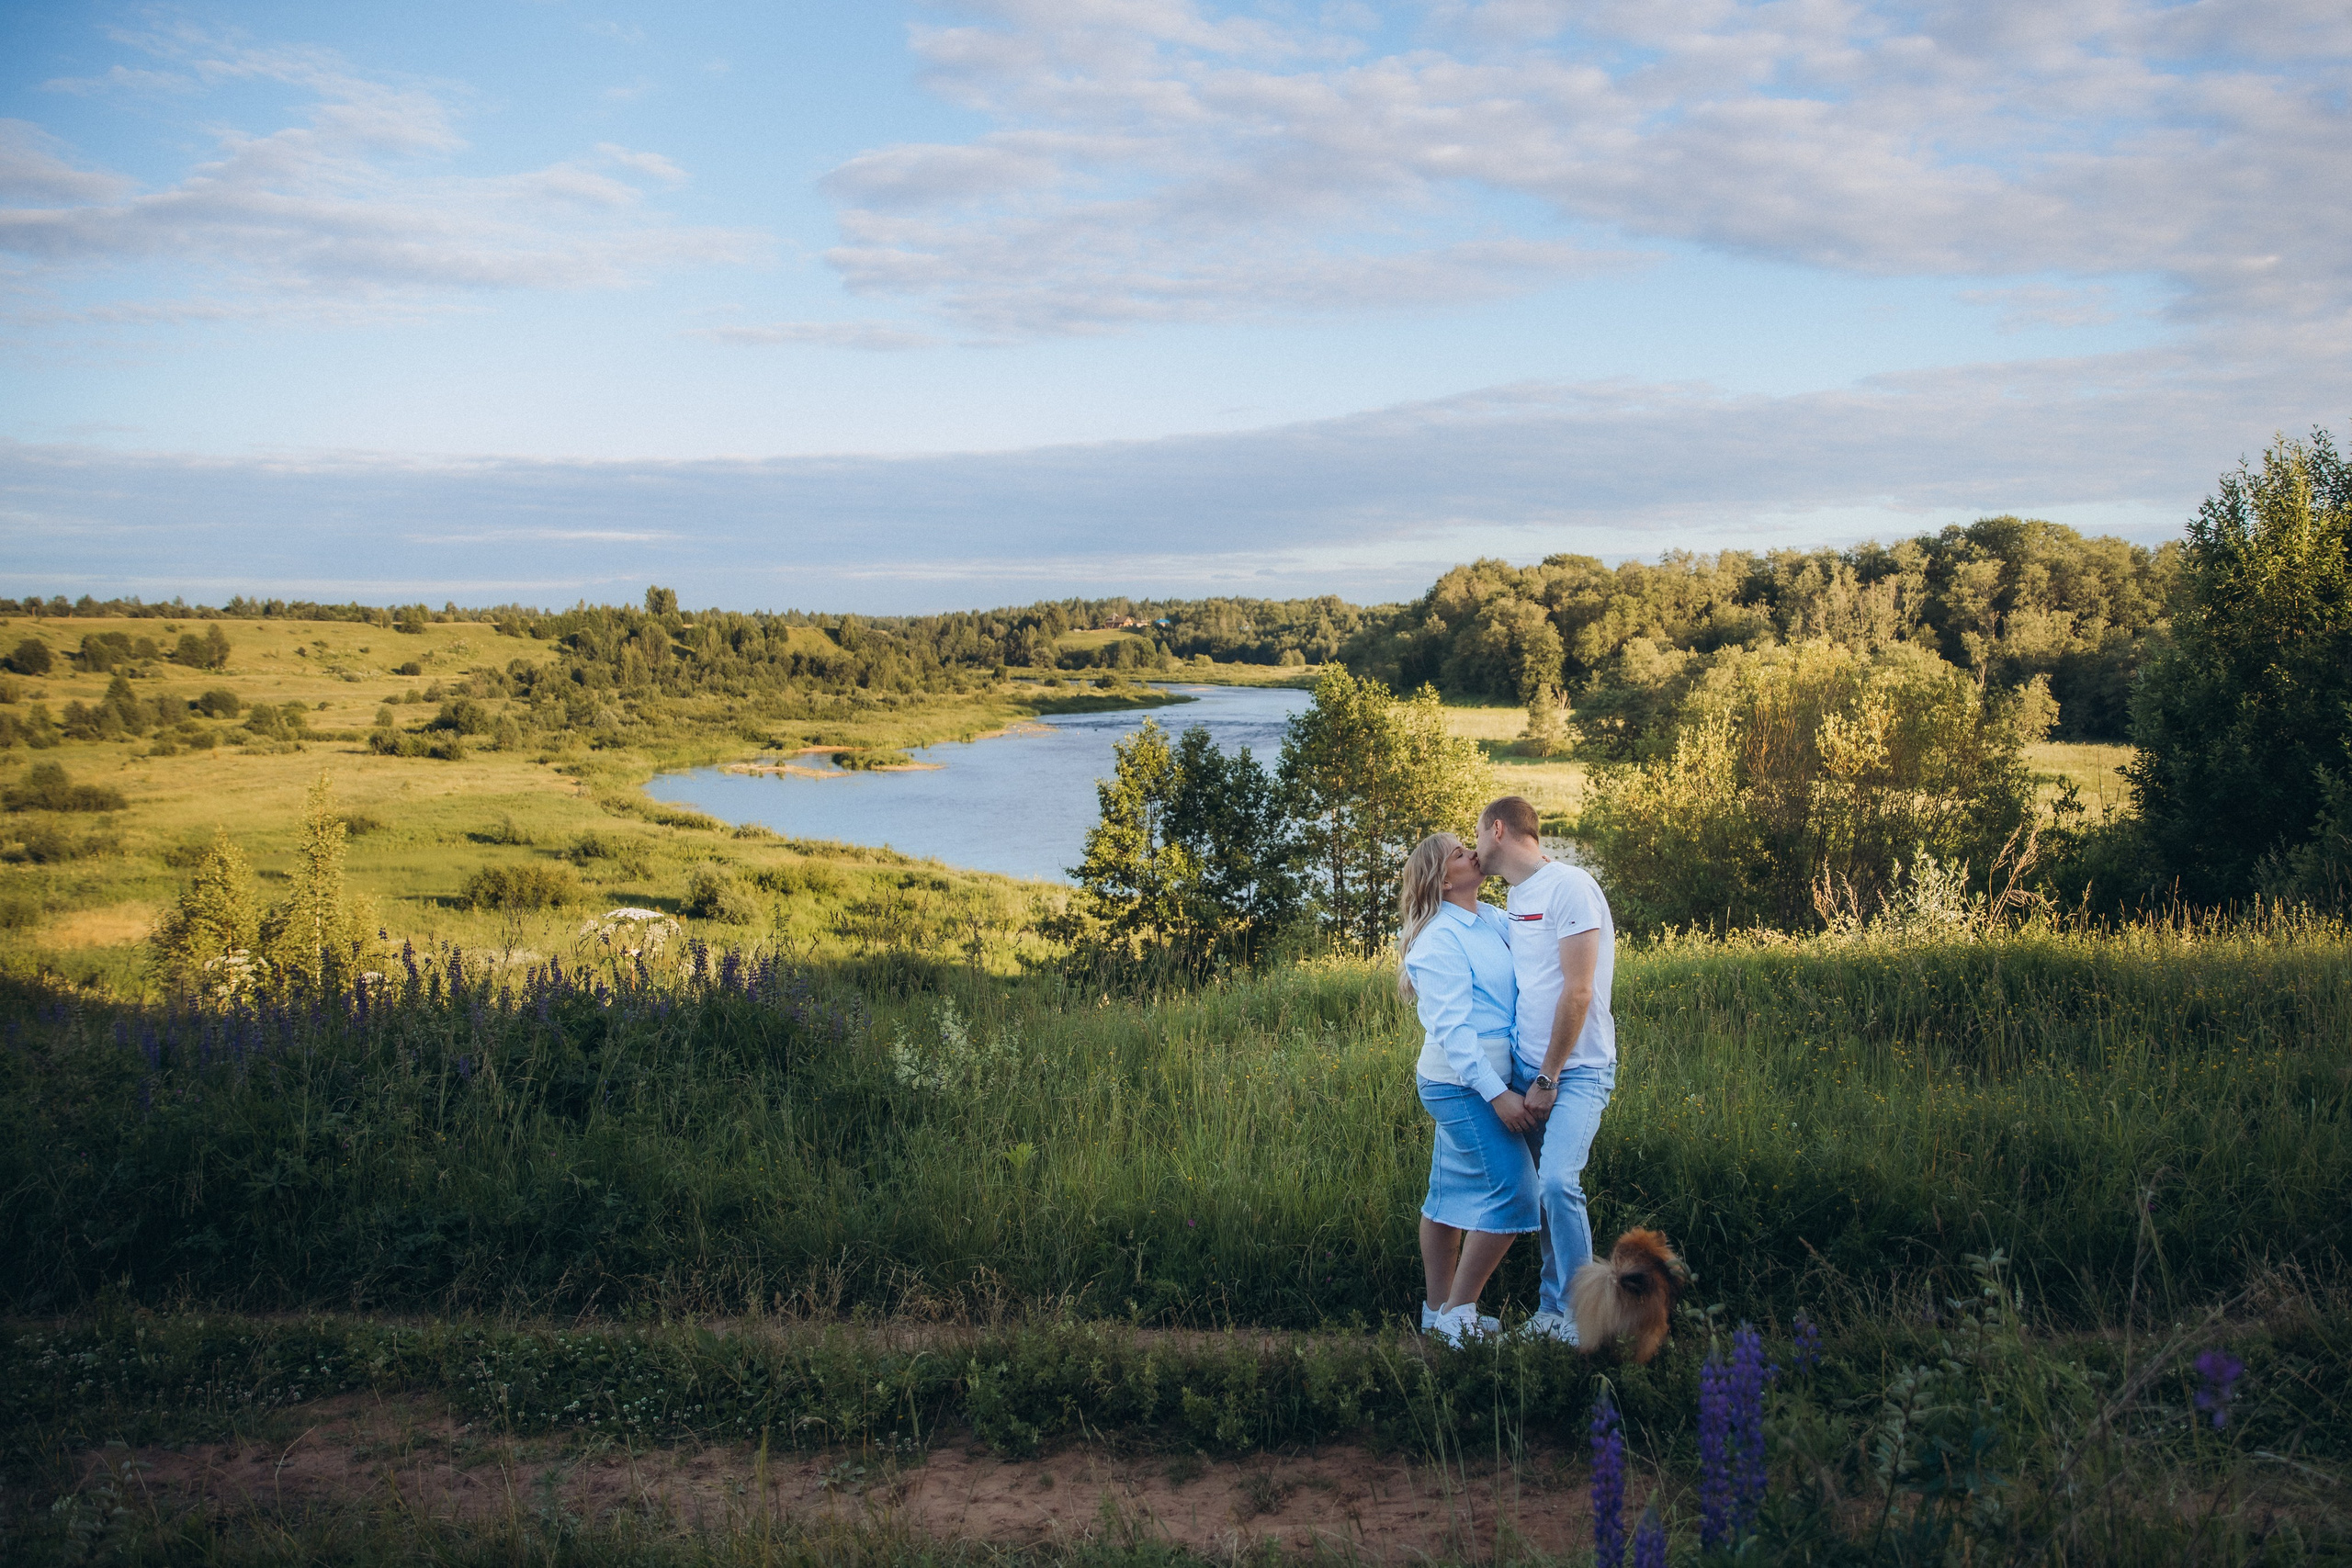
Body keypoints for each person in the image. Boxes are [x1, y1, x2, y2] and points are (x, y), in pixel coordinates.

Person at [1475, 795, 1616, 1343]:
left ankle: (1583, 1321)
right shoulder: (1514, 898)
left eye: (1478, 834)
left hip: (1575, 1071)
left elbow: (1578, 991)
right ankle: (1551, 1310)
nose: (1475, 847)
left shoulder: (1571, 887)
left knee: (1558, 1182)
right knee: (1538, 1193)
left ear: (1500, 830)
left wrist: (1548, 1077)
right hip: (1527, 1069)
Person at [1396, 830, 1539, 1346]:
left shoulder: (1490, 919)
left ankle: (1436, 1314)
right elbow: (1454, 1032)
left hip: (1481, 1079)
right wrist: (1497, 1095)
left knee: (1448, 1195)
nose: (1471, 854)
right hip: (1461, 1084)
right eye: (1459, 853)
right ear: (1441, 877)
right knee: (1517, 1191)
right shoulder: (1438, 939)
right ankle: (1461, 1316)